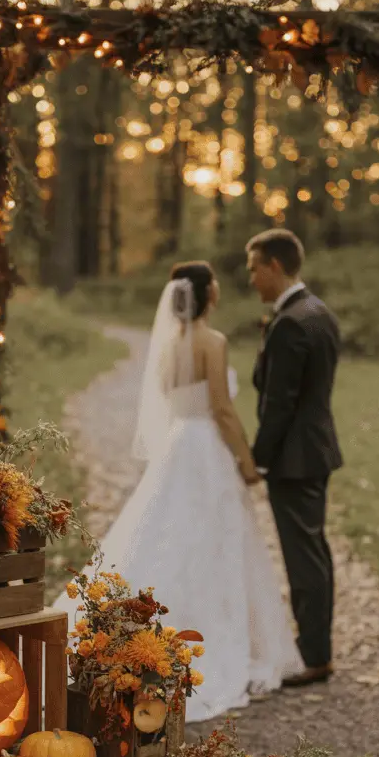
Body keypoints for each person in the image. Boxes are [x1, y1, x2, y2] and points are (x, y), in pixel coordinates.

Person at [54, 260, 302, 721]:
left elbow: (173, 404)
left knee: (165, 530)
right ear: (208, 295)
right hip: (206, 444)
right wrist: (247, 464)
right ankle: (220, 636)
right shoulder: (214, 342)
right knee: (216, 539)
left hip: (179, 445)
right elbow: (223, 411)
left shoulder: (168, 347)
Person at [247, 228, 342, 686]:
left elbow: (280, 404)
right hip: (317, 450)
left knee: (304, 558)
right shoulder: (319, 312)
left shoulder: (290, 322)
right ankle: (316, 648)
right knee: (315, 551)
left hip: (294, 458)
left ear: (275, 267)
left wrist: (257, 459)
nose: (251, 279)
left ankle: (314, 655)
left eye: (254, 268)